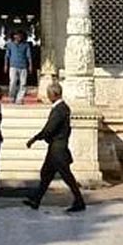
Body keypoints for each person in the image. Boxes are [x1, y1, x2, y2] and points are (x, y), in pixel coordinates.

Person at [23, 82, 85, 213]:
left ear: (54, 94)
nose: (48, 96)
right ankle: (36, 199)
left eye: (49, 94)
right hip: (54, 148)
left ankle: (79, 201)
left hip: (58, 149)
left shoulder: (60, 109)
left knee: (67, 176)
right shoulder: (60, 108)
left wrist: (35, 138)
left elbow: (49, 129)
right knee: (46, 173)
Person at [4, 30, 33, 104]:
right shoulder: (10, 45)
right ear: (14, 36)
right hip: (13, 66)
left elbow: (29, 56)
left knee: (23, 83)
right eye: (17, 35)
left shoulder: (26, 45)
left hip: (23, 66)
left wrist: (30, 65)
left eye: (20, 35)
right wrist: (6, 65)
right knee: (13, 82)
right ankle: (11, 97)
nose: (19, 37)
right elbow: (7, 56)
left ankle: (19, 99)